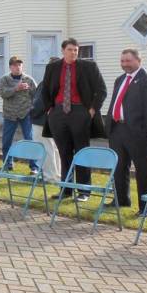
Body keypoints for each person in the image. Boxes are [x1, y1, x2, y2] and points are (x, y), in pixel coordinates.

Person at [41, 38, 107, 202]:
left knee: (82, 151)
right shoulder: (53, 67)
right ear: (63, 50)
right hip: (58, 112)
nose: (73, 53)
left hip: (80, 112)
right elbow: (45, 90)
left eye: (76, 50)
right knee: (64, 153)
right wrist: (50, 108)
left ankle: (84, 191)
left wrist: (91, 110)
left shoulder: (89, 67)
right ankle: (66, 190)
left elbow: (101, 90)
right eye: (70, 50)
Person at [105, 48, 147, 216]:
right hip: (117, 129)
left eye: (128, 61)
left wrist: (146, 132)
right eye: (122, 61)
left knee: (143, 170)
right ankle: (121, 199)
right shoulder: (119, 79)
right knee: (119, 167)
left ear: (138, 60)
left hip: (137, 132)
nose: (124, 64)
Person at [0, 56, 39, 173]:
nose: (17, 67)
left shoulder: (29, 80)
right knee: (6, 140)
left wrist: (33, 109)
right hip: (9, 114)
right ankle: (7, 165)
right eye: (15, 65)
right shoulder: (4, 79)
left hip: (26, 114)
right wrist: (16, 88)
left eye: (19, 65)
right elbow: (2, 93)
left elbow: (36, 96)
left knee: (29, 140)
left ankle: (34, 167)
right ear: (10, 67)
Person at [30, 58, 63, 183]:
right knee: (53, 149)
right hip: (51, 121)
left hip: (42, 121)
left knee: (46, 149)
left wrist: (32, 112)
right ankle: (56, 175)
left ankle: (49, 177)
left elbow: (40, 103)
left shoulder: (49, 82)